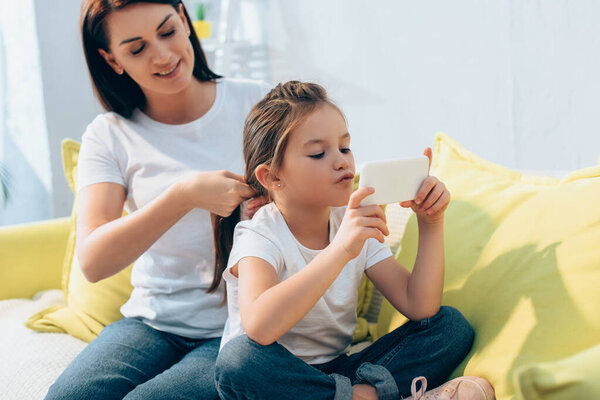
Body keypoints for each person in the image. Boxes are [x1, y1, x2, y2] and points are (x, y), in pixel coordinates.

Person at [213, 81, 495, 400]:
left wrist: (431, 222)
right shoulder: (259, 234)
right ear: (272, 177)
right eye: (319, 153)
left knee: (450, 326)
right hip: (279, 375)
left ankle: (357, 396)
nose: (342, 161)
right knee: (237, 362)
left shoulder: (354, 219)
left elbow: (420, 306)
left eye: (345, 148)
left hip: (341, 373)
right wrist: (340, 250)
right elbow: (260, 327)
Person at [45, 1, 270, 399]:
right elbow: (94, 262)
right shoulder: (110, 135)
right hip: (152, 323)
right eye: (137, 48)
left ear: (184, 21)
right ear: (111, 60)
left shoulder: (259, 105)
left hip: (239, 325)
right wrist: (182, 196)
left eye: (167, 32)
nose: (162, 56)